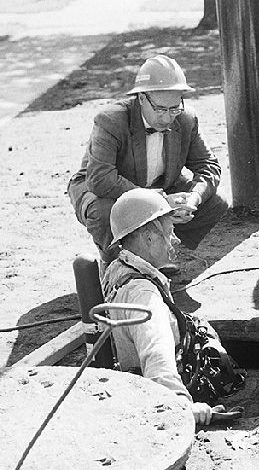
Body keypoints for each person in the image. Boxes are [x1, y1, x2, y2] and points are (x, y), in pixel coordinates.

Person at [67, 54, 227, 268]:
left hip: (158, 188)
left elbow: (208, 166)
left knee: (216, 202)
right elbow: (100, 179)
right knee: (104, 211)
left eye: (174, 108)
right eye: (160, 109)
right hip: (105, 191)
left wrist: (193, 198)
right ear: (141, 98)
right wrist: (158, 202)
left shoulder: (187, 118)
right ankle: (114, 263)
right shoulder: (110, 120)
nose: (167, 117)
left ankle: (161, 251)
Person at [101, 188, 230, 425]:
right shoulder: (144, 295)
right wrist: (181, 405)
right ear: (149, 237)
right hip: (149, 399)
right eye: (169, 232)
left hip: (130, 385)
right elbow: (156, 357)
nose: (176, 239)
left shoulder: (117, 269)